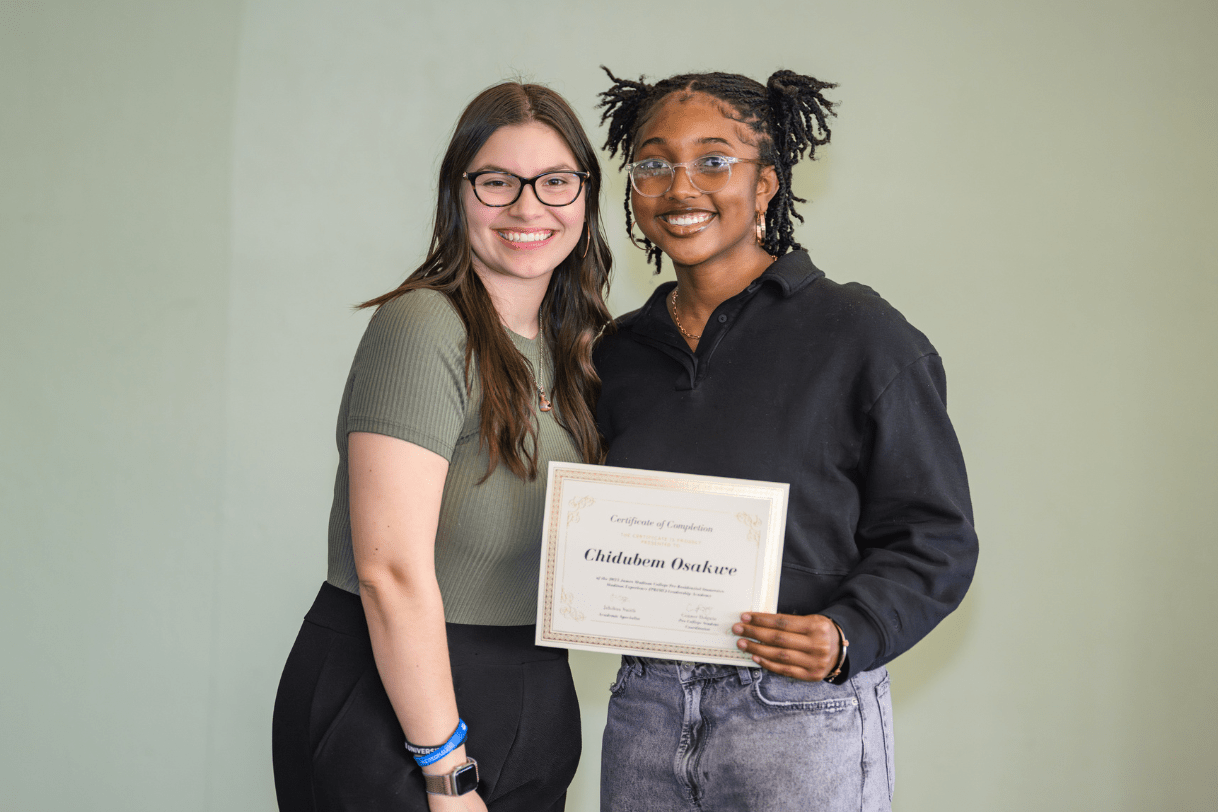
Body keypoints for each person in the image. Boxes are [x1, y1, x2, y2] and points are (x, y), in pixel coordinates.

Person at [593, 68, 979, 811]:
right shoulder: (616, 355)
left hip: (799, 712)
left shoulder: (860, 335)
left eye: (714, 160)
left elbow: (937, 535)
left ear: (766, 184)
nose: (681, 187)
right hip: (645, 705)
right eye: (653, 163)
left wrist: (846, 635)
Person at [271, 81, 613, 812]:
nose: (528, 208)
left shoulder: (581, 349)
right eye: (497, 182)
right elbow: (389, 569)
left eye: (556, 182)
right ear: (457, 196)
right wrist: (445, 767)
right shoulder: (423, 325)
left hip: (534, 686)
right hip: (395, 704)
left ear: (585, 197)